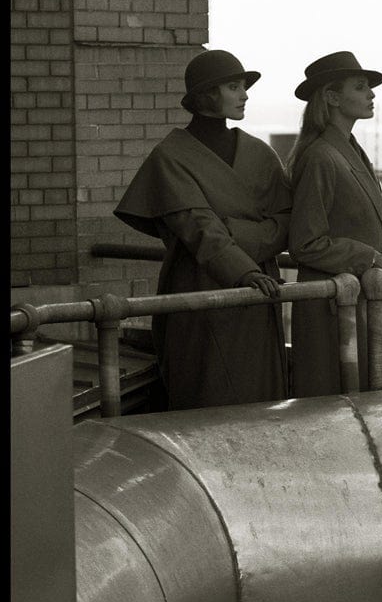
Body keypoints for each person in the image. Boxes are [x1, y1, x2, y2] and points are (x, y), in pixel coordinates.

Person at [114, 49, 291, 408]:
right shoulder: (171, 156)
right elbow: (198, 227)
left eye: (244, 86)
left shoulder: (260, 154)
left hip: (259, 293)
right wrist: (243, 268)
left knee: (263, 402)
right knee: (207, 396)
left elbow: (285, 220)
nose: (244, 95)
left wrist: (236, 236)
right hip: (201, 289)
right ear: (207, 94)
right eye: (233, 86)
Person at [287, 50, 382, 396]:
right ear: (333, 97)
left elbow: (358, 224)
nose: (371, 94)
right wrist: (368, 257)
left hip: (360, 304)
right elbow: (305, 243)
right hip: (332, 312)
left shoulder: (349, 150)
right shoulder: (321, 155)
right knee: (334, 410)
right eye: (360, 86)